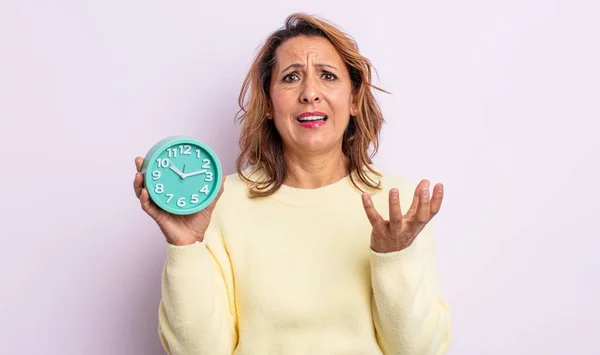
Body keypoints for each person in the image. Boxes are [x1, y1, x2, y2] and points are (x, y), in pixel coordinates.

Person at [133, 12, 451, 355]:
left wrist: (394, 257)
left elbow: (420, 351)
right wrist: (186, 247)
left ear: (355, 100)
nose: (310, 93)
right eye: (291, 77)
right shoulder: (218, 203)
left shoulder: (398, 204)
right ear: (269, 103)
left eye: (327, 76)